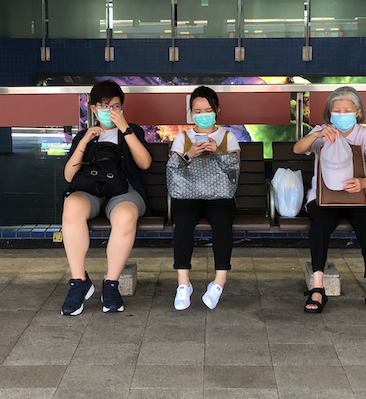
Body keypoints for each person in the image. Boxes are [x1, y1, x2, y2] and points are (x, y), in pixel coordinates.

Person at [293, 86, 366, 313]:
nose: (342, 114)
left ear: (357, 112)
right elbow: (298, 149)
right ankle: (318, 287)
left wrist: (363, 183)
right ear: (330, 112)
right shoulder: (322, 131)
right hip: (324, 198)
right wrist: (316, 135)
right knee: (320, 225)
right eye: (337, 110)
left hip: (358, 196)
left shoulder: (365, 135)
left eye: (347, 110)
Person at [60, 80, 152, 316]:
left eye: (115, 105)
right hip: (90, 191)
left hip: (123, 191)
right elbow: (70, 176)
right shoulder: (85, 135)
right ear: (93, 109)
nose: (110, 110)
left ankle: (111, 284)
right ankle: (79, 281)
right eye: (103, 105)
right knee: (71, 205)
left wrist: (125, 129)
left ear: (122, 108)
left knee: (126, 215)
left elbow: (144, 163)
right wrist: (84, 141)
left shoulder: (133, 130)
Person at [169, 86, 240, 310]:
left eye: (208, 110)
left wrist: (218, 152)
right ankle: (183, 283)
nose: (203, 114)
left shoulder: (228, 136)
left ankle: (219, 281)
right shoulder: (182, 138)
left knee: (222, 221)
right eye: (197, 111)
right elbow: (172, 171)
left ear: (217, 110)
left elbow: (234, 172)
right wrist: (189, 155)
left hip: (220, 195)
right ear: (191, 112)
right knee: (183, 221)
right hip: (188, 194)